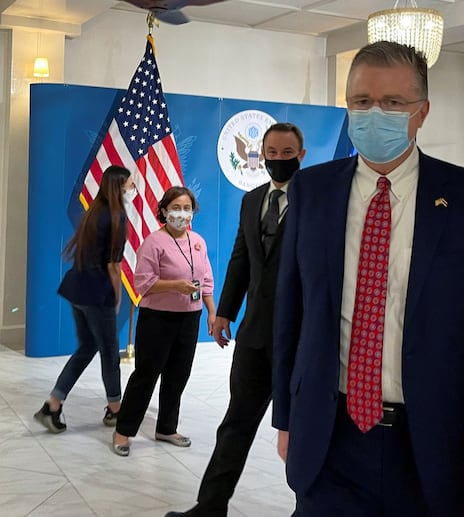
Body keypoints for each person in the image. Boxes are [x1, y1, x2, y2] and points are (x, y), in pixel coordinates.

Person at [272, 41, 464, 517]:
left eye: (393, 103)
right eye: (362, 101)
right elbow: (291, 315)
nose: (375, 113)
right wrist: (286, 419)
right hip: (329, 441)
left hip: (433, 449)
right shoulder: (313, 191)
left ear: (422, 112)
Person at [165, 123, 307, 517]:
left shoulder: (318, 200)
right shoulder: (251, 200)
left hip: (301, 340)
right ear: (262, 156)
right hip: (255, 337)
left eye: (287, 152)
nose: (279, 160)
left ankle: (307, 509)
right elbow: (242, 259)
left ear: (302, 154)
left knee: (301, 434)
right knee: (235, 425)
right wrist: (224, 311)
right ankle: (209, 507)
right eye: (272, 153)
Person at [112, 186, 216, 456]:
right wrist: (174, 286)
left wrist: (212, 312)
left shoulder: (198, 242)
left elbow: (206, 282)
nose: (182, 214)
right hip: (158, 319)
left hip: (190, 318)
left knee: (178, 375)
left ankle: (167, 428)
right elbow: (143, 284)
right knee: (146, 375)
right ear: (164, 211)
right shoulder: (154, 242)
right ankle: (123, 431)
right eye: (176, 208)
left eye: (187, 208)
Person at [34, 164, 134, 433]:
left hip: (77, 288)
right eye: (130, 185)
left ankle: (53, 404)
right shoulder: (116, 217)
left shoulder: (94, 212)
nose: (132, 189)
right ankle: (115, 409)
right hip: (96, 292)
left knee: (87, 347)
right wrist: (117, 296)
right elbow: (114, 266)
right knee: (110, 352)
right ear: (119, 187)